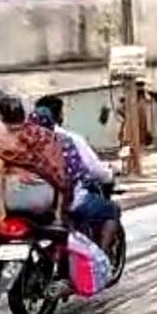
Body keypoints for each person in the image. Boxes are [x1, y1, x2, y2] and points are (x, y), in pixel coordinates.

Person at [0, 95, 74, 299]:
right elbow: (60, 173)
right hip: (45, 198)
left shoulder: (3, 141)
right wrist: (58, 210)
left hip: (14, 196)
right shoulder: (46, 137)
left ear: (2, 118)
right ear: (24, 115)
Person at [33, 95, 120, 254]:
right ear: (58, 116)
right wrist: (109, 174)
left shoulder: (19, 141)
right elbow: (88, 170)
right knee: (111, 210)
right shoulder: (67, 140)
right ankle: (100, 259)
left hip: (21, 200)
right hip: (62, 202)